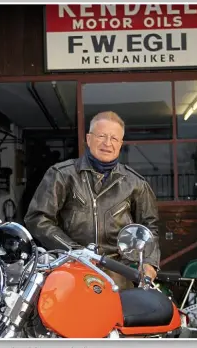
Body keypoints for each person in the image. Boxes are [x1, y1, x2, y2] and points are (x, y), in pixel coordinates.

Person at [24, 111, 160, 290]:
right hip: (69, 270)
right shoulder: (61, 175)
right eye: (101, 136)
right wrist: (75, 252)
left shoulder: (136, 183)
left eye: (114, 138)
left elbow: (149, 226)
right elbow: (37, 218)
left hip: (118, 274)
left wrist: (149, 263)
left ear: (120, 144)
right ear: (88, 139)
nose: (107, 143)